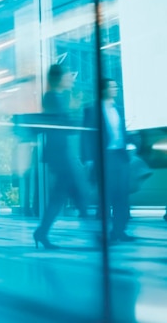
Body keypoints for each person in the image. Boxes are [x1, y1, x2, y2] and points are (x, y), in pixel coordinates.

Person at [33, 64, 89, 249]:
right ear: (59, 78)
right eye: (68, 75)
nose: (71, 78)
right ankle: (97, 235)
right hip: (59, 156)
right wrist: (77, 110)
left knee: (63, 196)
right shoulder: (51, 98)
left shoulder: (57, 97)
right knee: (76, 194)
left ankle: (41, 232)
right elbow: (62, 125)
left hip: (61, 155)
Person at [82, 79, 132, 242]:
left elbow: (122, 132)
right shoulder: (92, 109)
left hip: (120, 155)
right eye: (112, 86)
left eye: (116, 86)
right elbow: (87, 136)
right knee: (107, 195)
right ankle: (105, 233)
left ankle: (119, 231)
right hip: (104, 157)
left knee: (122, 194)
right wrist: (89, 159)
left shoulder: (119, 109)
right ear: (103, 89)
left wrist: (130, 144)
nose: (115, 89)